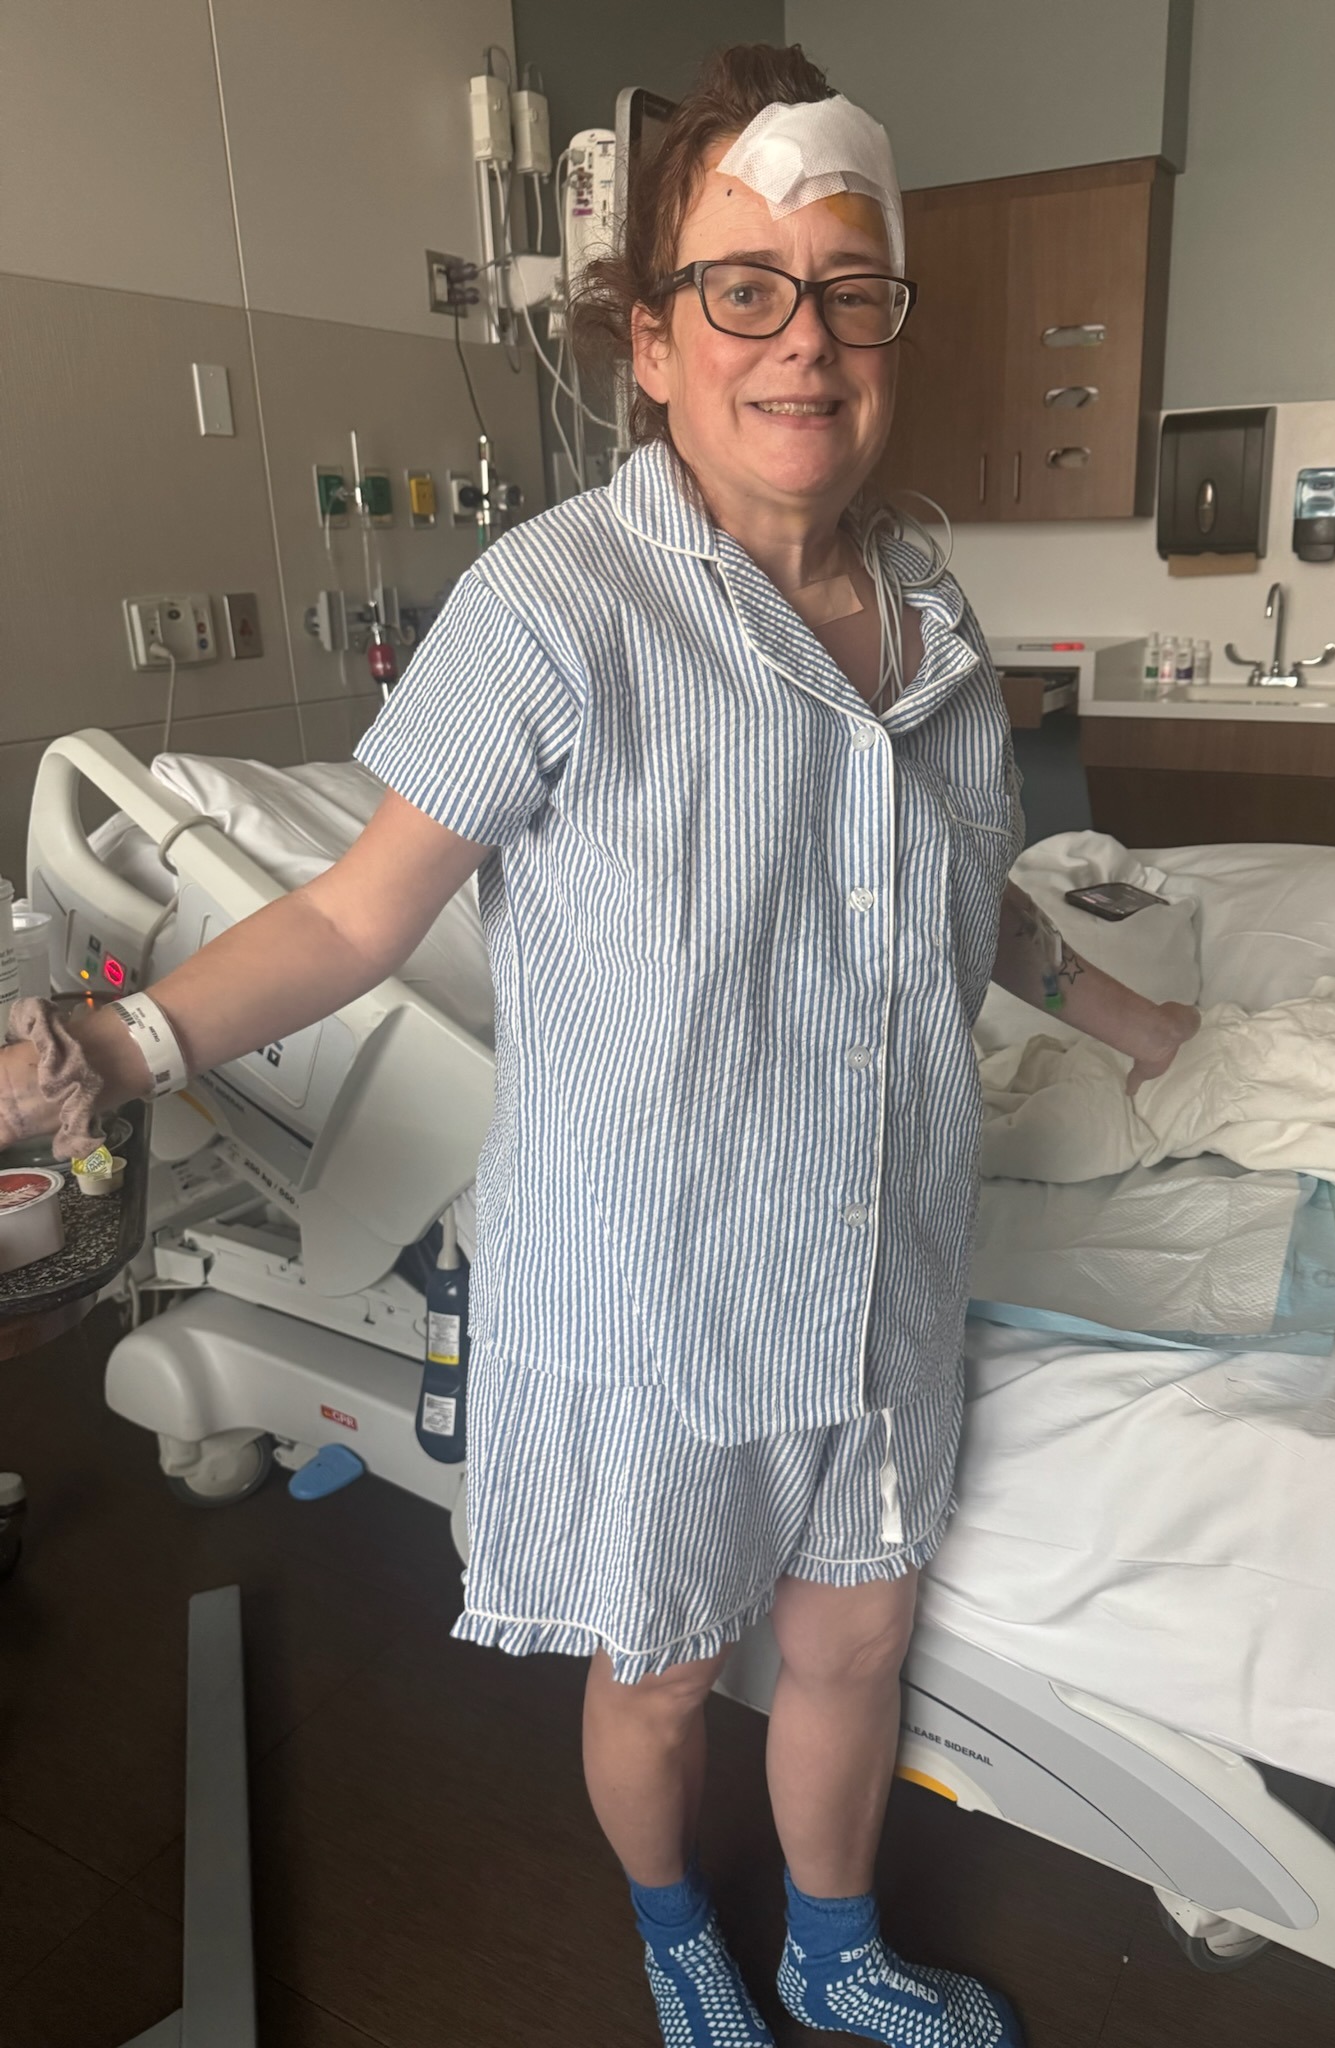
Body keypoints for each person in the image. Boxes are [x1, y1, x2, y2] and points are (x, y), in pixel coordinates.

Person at [0, 43, 1197, 2048]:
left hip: (883, 1267)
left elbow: (954, 892)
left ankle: (834, 1944)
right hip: (660, 1290)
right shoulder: (555, 606)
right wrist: (119, 1053)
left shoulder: (932, 614)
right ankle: (673, 1934)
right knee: (660, 1672)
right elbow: (354, 915)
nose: (802, 338)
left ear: (891, 328)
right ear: (649, 341)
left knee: (855, 1642)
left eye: (849, 290)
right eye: (744, 287)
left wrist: (1128, 1013)